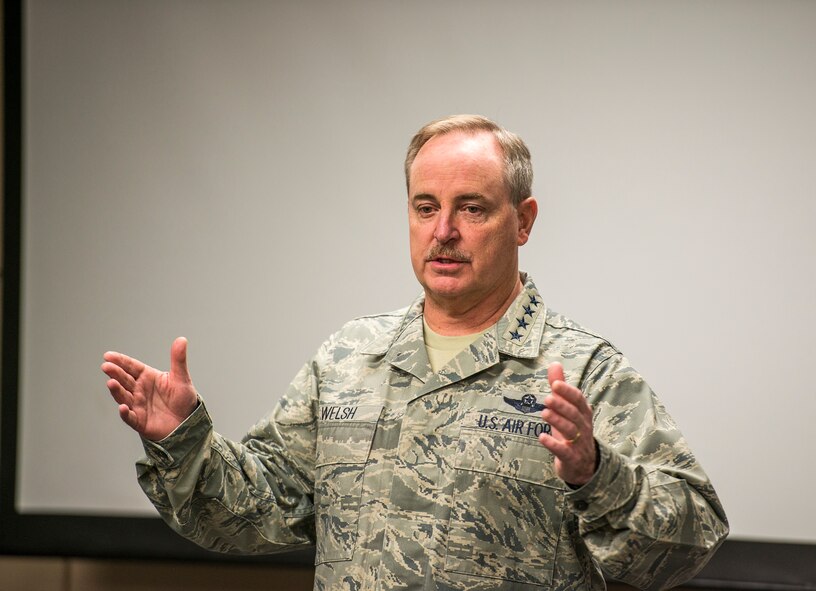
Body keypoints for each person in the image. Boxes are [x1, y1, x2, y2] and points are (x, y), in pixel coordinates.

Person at [102, 115, 728, 590]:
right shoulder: (350, 357)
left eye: (472, 209)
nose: (443, 231)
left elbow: (690, 536)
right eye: (425, 207)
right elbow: (255, 512)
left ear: (524, 221)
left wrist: (597, 473)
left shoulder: (583, 370)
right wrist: (182, 440)